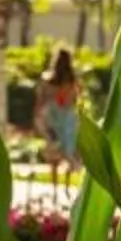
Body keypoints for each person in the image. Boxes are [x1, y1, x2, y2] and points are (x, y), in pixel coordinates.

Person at [39, 46, 83, 175]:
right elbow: (76, 98)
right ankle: (70, 175)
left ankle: (55, 183)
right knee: (68, 146)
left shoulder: (48, 79)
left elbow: (42, 99)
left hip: (52, 115)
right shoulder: (72, 80)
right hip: (68, 115)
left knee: (54, 149)